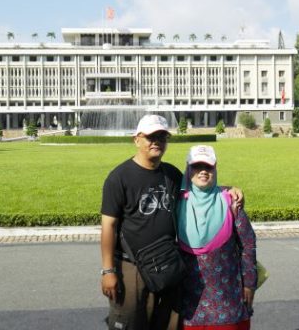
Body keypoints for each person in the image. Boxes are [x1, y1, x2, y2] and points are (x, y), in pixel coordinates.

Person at [101, 115, 244, 330]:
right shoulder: (119, 177)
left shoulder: (171, 174)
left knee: (168, 323)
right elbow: (108, 227)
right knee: (131, 323)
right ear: (137, 139)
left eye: (162, 136)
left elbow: (199, 188)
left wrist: (228, 189)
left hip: (169, 261)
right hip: (133, 267)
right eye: (151, 136)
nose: (156, 141)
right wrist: (108, 271)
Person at [177, 145, 257, 330]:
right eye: (197, 166)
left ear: (215, 168)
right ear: (188, 169)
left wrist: (249, 284)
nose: (203, 172)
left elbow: (248, 243)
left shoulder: (230, 201)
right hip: (189, 303)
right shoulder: (178, 203)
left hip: (227, 301)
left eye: (208, 167)